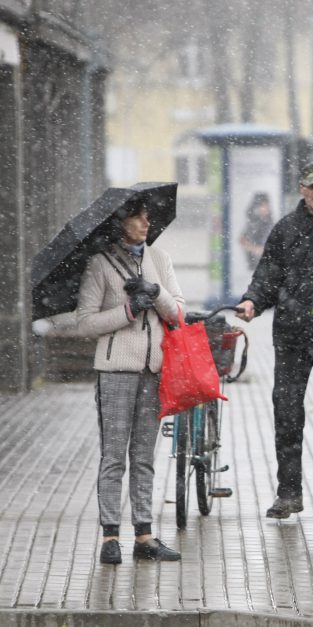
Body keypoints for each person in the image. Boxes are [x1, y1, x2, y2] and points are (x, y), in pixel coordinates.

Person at [235, 161, 313, 524]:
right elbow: (268, 275)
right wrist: (253, 301)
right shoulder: (286, 229)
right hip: (292, 337)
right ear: (302, 189)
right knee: (287, 414)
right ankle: (289, 492)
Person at [76, 202, 185, 565]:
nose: (145, 223)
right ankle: (110, 535)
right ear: (120, 223)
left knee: (144, 457)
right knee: (113, 457)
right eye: (138, 217)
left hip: (152, 371)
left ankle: (144, 534)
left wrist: (155, 293)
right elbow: (86, 323)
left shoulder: (160, 258)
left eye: (148, 217)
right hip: (115, 372)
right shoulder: (100, 264)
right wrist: (128, 310)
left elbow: (178, 313)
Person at [239, 192, 274, 270]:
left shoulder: (268, 223)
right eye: (263, 205)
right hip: (255, 266)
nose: (266, 208)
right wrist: (254, 248)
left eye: (267, 205)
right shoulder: (254, 223)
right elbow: (242, 240)